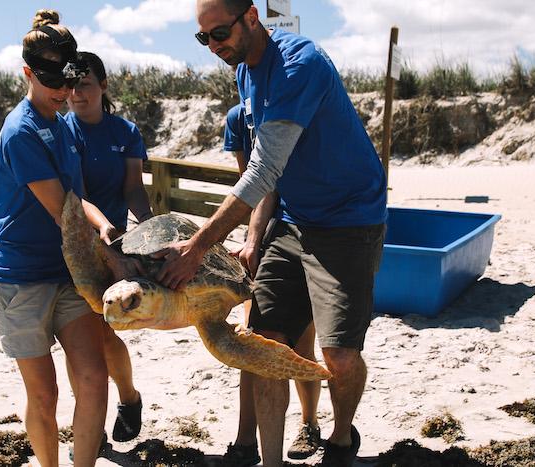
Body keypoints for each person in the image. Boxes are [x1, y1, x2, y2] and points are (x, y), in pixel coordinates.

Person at [154, 1, 387, 466]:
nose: (214, 46)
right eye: (205, 38)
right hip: (292, 220)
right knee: (262, 344)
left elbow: (262, 170)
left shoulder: (300, 65)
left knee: (338, 354)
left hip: (348, 222)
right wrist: (254, 238)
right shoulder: (244, 71)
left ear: (252, 17)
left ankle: (341, 438)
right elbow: (269, 180)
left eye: (220, 33)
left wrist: (198, 246)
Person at [0, 10, 142, 467]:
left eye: (69, 78)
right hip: (23, 280)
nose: (64, 90)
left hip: (69, 274)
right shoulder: (21, 132)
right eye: (52, 80)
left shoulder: (60, 124)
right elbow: (63, 214)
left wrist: (106, 228)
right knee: (45, 394)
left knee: (93, 379)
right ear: (27, 73)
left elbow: (77, 200)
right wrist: (115, 262)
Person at [223, 103, 321, 465]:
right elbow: (252, 184)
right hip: (262, 237)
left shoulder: (298, 106)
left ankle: (309, 424)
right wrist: (253, 242)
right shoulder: (237, 120)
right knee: (256, 342)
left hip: (303, 233)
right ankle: (246, 439)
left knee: (300, 345)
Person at [64, 51, 153, 443]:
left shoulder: (125, 132)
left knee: (103, 334)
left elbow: (133, 187)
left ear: (103, 85)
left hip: (115, 245)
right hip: (74, 247)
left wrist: (151, 232)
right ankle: (93, 425)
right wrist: (99, 230)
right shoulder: (62, 131)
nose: (76, 93)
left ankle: (129, 398)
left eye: (84, 84)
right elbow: (73, 196)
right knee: (78, 341)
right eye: (70, 86)